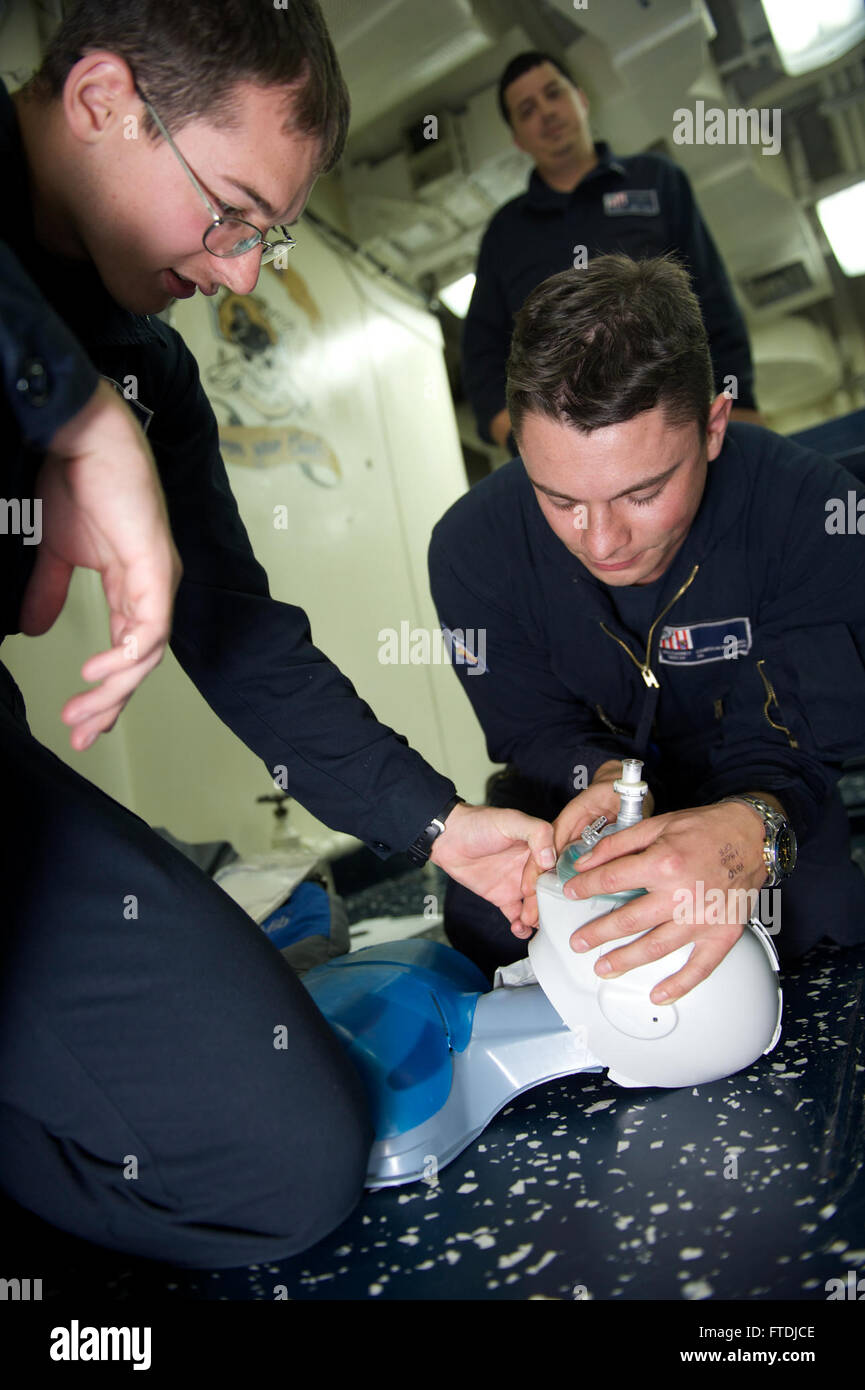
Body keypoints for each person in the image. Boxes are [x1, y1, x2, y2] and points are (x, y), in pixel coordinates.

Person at [0, 0, 556, 1269]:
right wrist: (67, 409)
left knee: (283, 1155)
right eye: (232, 210)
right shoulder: (87, 376)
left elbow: (237, 638)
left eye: (273, 234)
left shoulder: (145, 361)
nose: (244, 271)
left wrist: (442, 825)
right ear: (101, 103)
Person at [430, 253, 865, 992]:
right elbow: (530, 730)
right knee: (487, 921)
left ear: (712, 427)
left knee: (820, 921)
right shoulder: (471, 548)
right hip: (581, 800)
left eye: (641, 493)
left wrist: (748, 831)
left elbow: (801, 736)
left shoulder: (816, 511)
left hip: (763, 789)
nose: (599, 541)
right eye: (559, 498)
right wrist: (602, 781)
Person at [462, 51, 761, 453]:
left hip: (673, 421)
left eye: (554, 94)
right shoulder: (505, 233)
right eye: (527, 110)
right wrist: (520, 441)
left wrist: (739, 403)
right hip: (569, 452)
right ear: (517, 137)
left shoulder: (657, 181)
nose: (546, 113)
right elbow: (480, 349)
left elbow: (711, 298)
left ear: (582, 98)